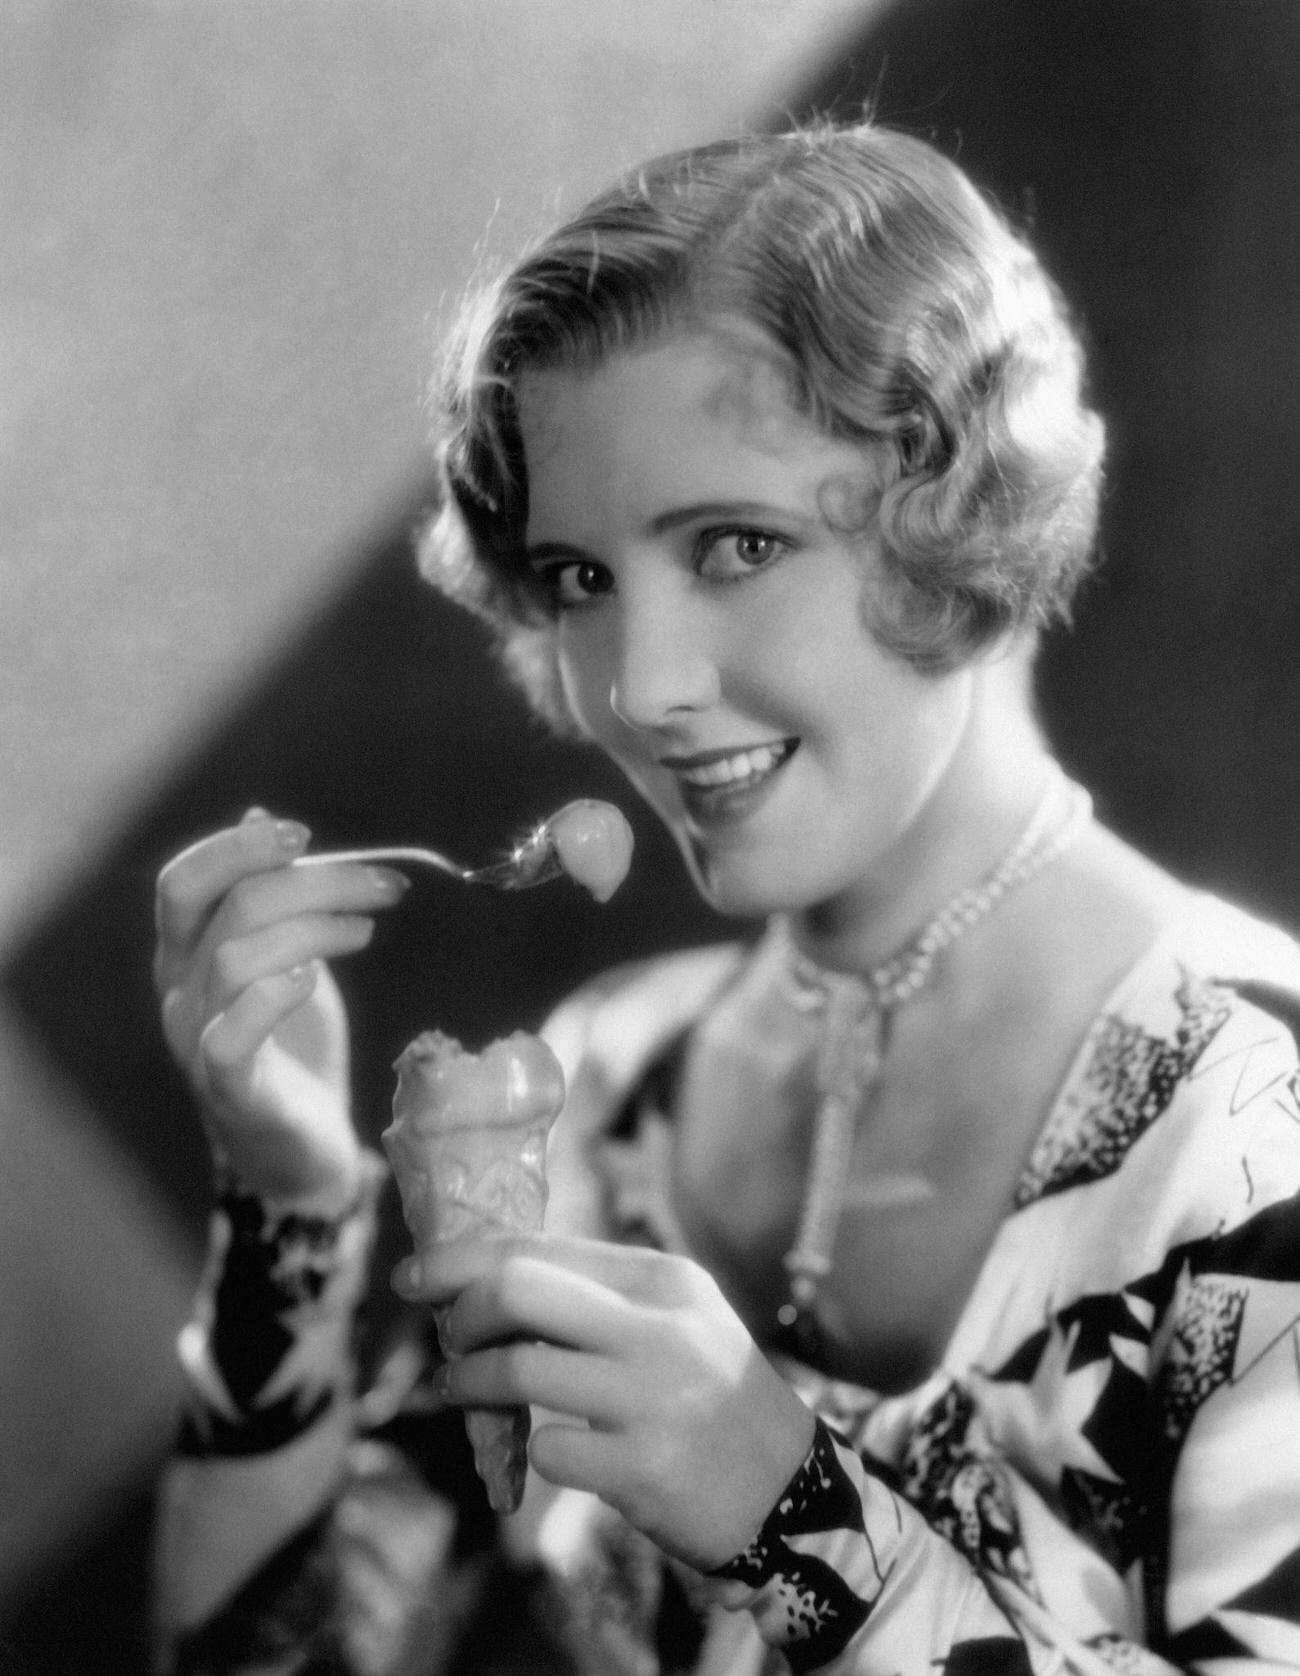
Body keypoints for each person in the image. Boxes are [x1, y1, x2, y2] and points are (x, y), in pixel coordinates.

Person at [150, 120, 1300, 1676]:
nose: (643, 687)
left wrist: (794, 1516)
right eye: (578, 578)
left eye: (737, 544)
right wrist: (281, 1213)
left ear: (957, 503)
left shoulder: (1261, 1136)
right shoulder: (601, 1082)